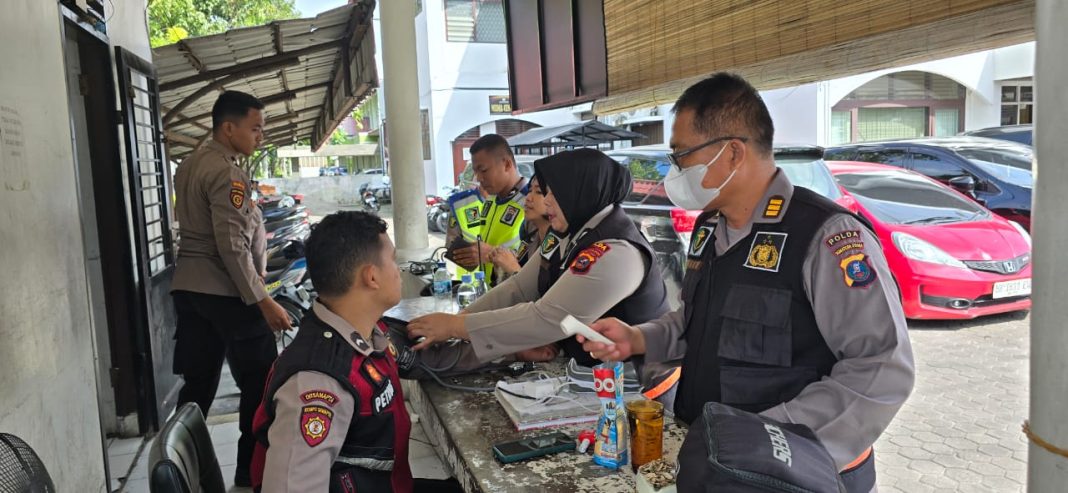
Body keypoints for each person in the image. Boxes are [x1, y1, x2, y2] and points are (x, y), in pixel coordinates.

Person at [579, 73, 915, 492]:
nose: (675, 170)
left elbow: (881, 370)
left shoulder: (825, 236)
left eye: (682, 155)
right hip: (715, 463)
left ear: (733, 152)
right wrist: (637, 338)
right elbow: (697, 321)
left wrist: (768, 438)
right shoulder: (709, 228)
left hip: (797, 473)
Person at [406, 148, 671, 370]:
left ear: (582, 192)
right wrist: (460, 319)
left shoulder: (617, 251)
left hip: (639, 391)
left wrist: (455, 326)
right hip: (590, 376)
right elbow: (519, 287)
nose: (547, 203)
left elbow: (547, 317)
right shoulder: (569, 232)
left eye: (555, 194)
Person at [170, 90, 289, 486]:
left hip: (189, 290)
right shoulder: (228, 172)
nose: (260, 136)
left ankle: (181, 470)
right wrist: (263, 300)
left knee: (197, 385)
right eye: (255, 128)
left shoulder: (188, 165)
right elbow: (231, 244)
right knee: (259, 382)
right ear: (228, 127)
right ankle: (249, 472)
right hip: (227, 293)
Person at [250, 211, 413, 492]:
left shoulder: (365, 333)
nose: (398, 270)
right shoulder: (318, 381)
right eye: (393, 260)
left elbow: (425, 359)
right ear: (371, 276)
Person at [445, 134, 529, 285]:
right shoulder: (491, 200)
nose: (478, 178)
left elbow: (537, 262)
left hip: (517, 298)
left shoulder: (530, 202)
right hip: (491, 295)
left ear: (507, 164)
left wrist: (491, 253)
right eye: (476, 171)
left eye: (483, 170)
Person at [487, 176, 551, 282]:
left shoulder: (562, 246)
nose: (528, 197)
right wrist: (501, 267)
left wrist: (513, 268)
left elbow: (542, 293)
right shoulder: (529, 237)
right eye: (530, 190)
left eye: (538, 192)